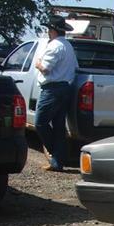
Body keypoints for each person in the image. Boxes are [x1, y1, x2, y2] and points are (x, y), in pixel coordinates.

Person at [34, 15, 78, 171]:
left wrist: (38, 63)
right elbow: (75, 67)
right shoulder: (68, 46)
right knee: (58, 125)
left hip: (53, 89)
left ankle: (56, 153)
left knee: (40, 122)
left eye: (49, 29)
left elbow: (46, 68)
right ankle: (57, 162)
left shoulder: (54, 46)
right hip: (65, 87)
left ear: (52, 30)